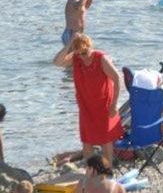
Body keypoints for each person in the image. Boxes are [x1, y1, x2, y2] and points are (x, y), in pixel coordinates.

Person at [53, 35, 124, 165]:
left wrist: (114, 105)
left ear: (90, 47)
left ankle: (108, 171)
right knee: (87, 140)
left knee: (105, 140)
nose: (83, 56)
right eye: (79, 53)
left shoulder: (100, 59)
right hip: (86, 105)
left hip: (104, 105)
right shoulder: (76, 58)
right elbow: (57, 62)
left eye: (85, 53)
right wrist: (70, 44)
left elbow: (117, 79)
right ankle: (90, 171)